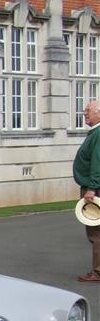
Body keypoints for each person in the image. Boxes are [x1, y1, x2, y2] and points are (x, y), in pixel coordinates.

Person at [73, 99, 100, 283]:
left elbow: (97, 163)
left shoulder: (98, 134)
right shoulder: (94, 133)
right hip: (93, 187)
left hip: (94, 190)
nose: (85, 113)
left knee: (95, 233)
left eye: (88, 110)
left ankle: (97, 271)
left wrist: (91, 188)